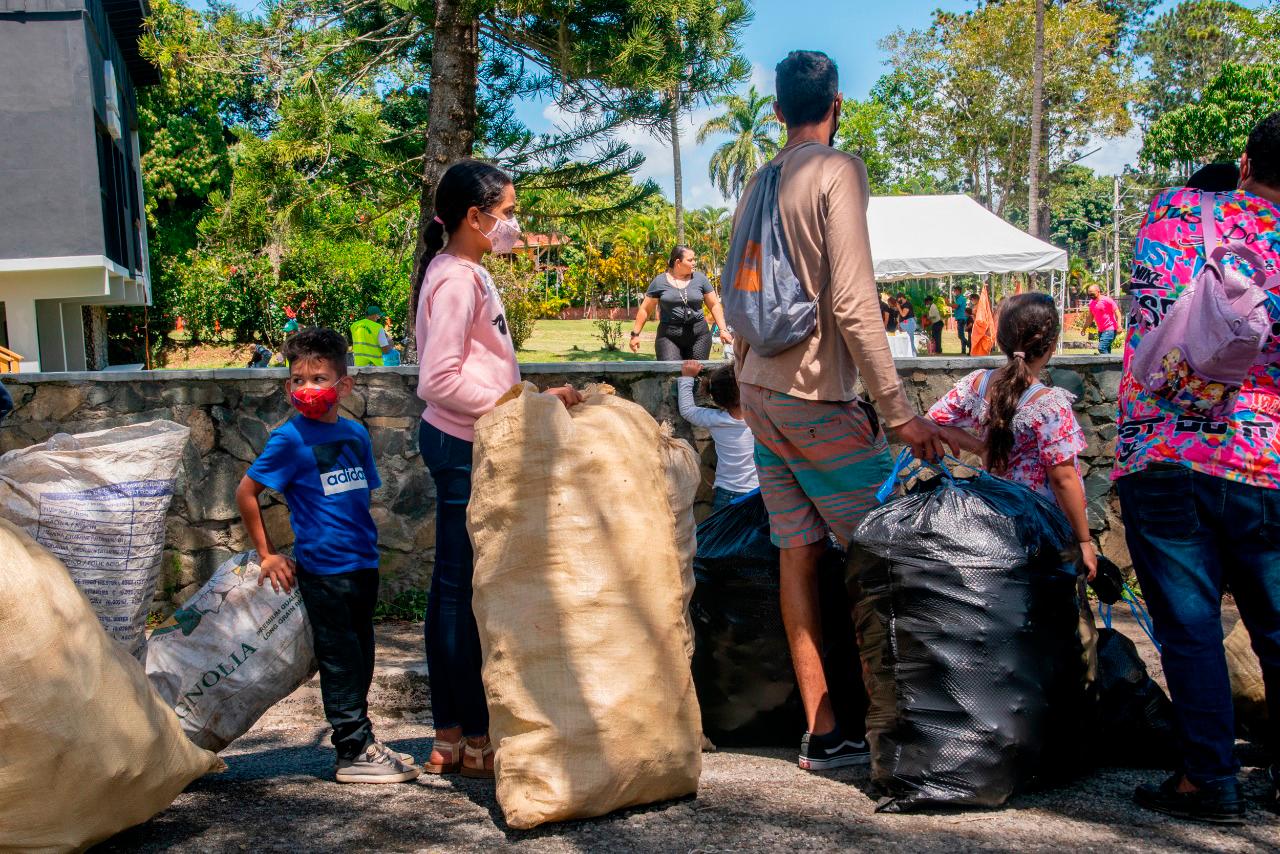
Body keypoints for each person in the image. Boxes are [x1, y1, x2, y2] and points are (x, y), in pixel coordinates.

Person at [729, 50, 954, 772]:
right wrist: (897, 412)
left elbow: (742, 293)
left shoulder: (757, 182)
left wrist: (745, 380)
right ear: (837, 104)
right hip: (817, 396)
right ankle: (910, 730)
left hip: (760, 392)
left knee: (797, 552)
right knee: (888, 552)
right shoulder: (836, 171)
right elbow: (856, 305)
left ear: (777, 111)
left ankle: (825, 730)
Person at [1115, 113, 1280, 824]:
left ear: (1246, 161)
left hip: (1166, 449)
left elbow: (1151, 303)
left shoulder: (1176, 211)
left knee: (1190, 628)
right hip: (1267, 457)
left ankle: (1209, 781)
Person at [415, 159, 581, 779]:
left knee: (455, 590)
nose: (514, 224)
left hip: (464, 444)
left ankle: (455, 733)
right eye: (506, 213)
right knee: (463, 593)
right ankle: (466, 734)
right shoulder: (459, 280)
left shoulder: (463, 271)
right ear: (474, 217)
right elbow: (439, 380)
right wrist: (525, 403)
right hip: (462, 447)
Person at [234, 327, 421, 785]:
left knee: (362, 655)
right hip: (323, 569)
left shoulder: (355, 435)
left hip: (363, 564)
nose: (306, 388)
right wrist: (268, 555)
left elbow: (357, 496)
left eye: (318, 378)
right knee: (339, 659)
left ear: (345, 385)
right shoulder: (289, 439)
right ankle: (352, 750)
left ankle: (363, 739)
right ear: (286, 386)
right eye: (297, 380)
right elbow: (246, 491)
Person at [925, 293, 1096, 579]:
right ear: (1051, 345)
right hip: (1043, 525)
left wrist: (980, 447)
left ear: (1001, 340)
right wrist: (1084, 541)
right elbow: (1063, 478)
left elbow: (930, 422)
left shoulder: (978, 384)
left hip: (993, 516)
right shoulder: (1050, 404)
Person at [678, 360, 759, 510]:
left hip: (727, 493)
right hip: (759, 492)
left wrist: (687, 377)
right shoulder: (760, 418)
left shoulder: (715, 419)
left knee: (723, 533)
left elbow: (687, 410)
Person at [630, 246, 733, 360]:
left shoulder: (700, 279)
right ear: (678, 262)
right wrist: (635, 335)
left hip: (699, 336)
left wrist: (723, 330)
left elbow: (714, 304)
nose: (694, 263)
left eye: (694, 259)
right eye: (690, 260)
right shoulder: (659, 282)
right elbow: (645, 309)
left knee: (698, 374)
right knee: (671, 374)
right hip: (669, 336)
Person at [1086, 285, 1121, 354]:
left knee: (1102, 348)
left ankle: (1109, 362)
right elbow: (1090, 317)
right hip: (1101, 330)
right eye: (1089, 294)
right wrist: (1084, 328)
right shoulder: (1091, 303)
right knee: (1107, 350)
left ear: (1098, 292)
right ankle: (1111, 364)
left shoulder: (1107, 300)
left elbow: (1118, 313)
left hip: (1110, 329)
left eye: (1092, 293)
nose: (1090, 295)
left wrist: (1119, 326)